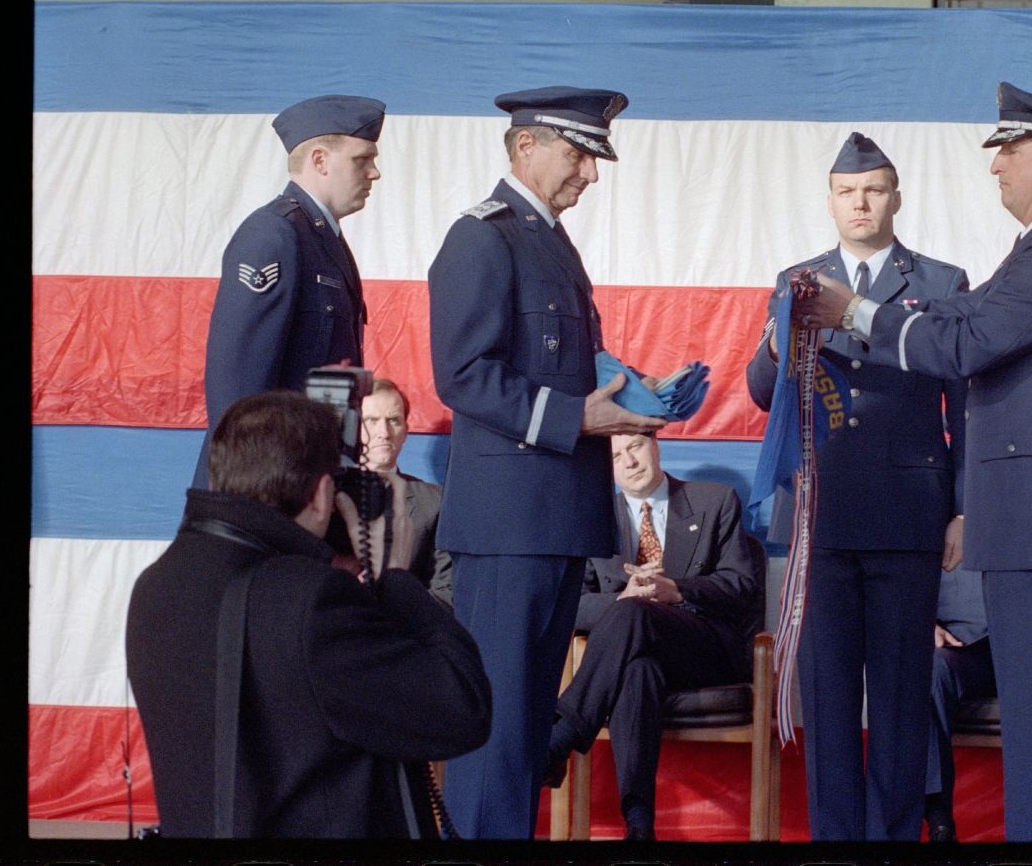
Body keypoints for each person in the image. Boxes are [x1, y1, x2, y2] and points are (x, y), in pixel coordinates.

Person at [797, 82, 1032, 841]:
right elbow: (964, 319)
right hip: (1030, 522)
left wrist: (853, 312)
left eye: (1011, 149)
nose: (996, 166)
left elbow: (964, 344)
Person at [428, 86, 666, 839]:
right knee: (494, 724)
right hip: (507, 524)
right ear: (526, 145)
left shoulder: (549, 240)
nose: (590, 174)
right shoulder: (483, 236)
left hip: (554, 516)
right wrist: (580, 415)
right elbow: (463, 374)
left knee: (526, 725)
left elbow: (567, 366)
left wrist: (632, 394)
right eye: (578, 153)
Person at [126, 390, 491, 838]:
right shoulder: (310, 602)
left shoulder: (156, 585)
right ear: (322, 495)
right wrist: (395, 577)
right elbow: (461, 711)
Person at [746, 132, 967, 841]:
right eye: (847, 190)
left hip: (909, 517)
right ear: (831, 201)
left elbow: (964, 409)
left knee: (901, 704)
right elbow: (760, 391)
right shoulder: (796, 279)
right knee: (830, 700)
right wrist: (781, 339)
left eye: (873, 188)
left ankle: (897, 839)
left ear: (895, 196)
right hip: (824, 518)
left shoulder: (940, 282)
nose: (861, 201)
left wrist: (963, 509)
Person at [542, 432, 766, 841]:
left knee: (634, 615)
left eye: (635, 447)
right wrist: (623, 600)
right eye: (616, 455)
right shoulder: (593, 517)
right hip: (631, 651)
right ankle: (639, 826)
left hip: (705, 649)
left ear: (656, 444)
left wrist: (676, 590)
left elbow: (741, 585)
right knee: (637, 671)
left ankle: (565, 733)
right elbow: (571, 603)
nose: (628, 461)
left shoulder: (715, 500)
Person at [195, 94, 386, 487]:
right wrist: (255, 495)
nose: (374, 173)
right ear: (320, 160)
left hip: (308, 475)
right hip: (265, 484)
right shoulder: (274, 235)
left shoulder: (322, 238)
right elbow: (238, 391)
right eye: (361, 159)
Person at [346, 376, 453, 605]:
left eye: (393, 420)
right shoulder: (322, 499)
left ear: (405, 431)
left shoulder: (435, 503)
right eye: (371, 420)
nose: (383, 433)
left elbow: (445, 590)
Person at [922, 564, 996, 843]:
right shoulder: (940, 523)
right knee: (930, 669)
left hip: (1025, 650)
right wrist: (925, 625)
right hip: (961, 647)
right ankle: (940, 820)